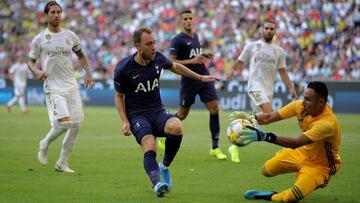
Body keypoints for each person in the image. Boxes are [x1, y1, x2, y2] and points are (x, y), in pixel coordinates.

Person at [113, 27, 219, 197]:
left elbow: (176, 67)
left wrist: (200, 78)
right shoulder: (124, 68)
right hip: (137, 115)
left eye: (154, 42)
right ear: (138, 46)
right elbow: (119, 96)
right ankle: (157, 184)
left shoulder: (158, 58)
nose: (153, 47)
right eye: (148, 44)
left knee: (177, 126)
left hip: (157, 111)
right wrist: (124, 121)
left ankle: (165, 166)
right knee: (150, 145)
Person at [233, 81, 341, 202]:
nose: (303, 103)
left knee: (292, 196)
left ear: (321, 102)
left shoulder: (327, 124)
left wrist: (265, 136)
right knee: (266, 170)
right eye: (303, 98)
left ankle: (269, 195)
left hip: (320, 166)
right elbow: (269, 117)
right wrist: (251, 118)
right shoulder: (299, 106)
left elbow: (296, 143)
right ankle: (299, 172)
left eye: (308, 100)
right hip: (302, 152)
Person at [28, 1, 94, 173]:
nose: (56, 15)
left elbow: (81, 55)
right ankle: (44, 143)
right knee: (65, 124)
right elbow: (31, 62)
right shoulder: (40, 39)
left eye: (58, 12)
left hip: (71, 86)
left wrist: (88, 73)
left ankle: (62, 163)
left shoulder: (70, 36)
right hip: (53, 87)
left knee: (76, 125)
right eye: (53, 12)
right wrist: (36, 71)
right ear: (46, 15)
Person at [226, 19, 298, 163]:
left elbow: (283, 72)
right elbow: (240, 62)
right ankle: (242, 123)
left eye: (272, 29)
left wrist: (291, 88)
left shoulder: (279, 52)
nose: (269, 31)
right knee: (268, 112)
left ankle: (235, 145)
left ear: (275, 31)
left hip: (268, 89)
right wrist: (231, 70)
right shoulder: (252, 46)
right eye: (266, 28)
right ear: (262, 29)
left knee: (259, 120)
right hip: (255, 85)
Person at [161, 9, 226, 160]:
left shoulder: (196, 36)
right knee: (182, 114)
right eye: (185, 19)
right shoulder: (177, 40)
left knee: (214, 107)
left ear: (193, 20)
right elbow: (171, 61)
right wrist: (192, 61)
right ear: (181, 22)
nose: (188, 21)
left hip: (203, 76)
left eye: (190, 18)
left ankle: (215, 147)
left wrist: (204, 56)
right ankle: (164, 132)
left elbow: (196, 57)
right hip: (189, 81)